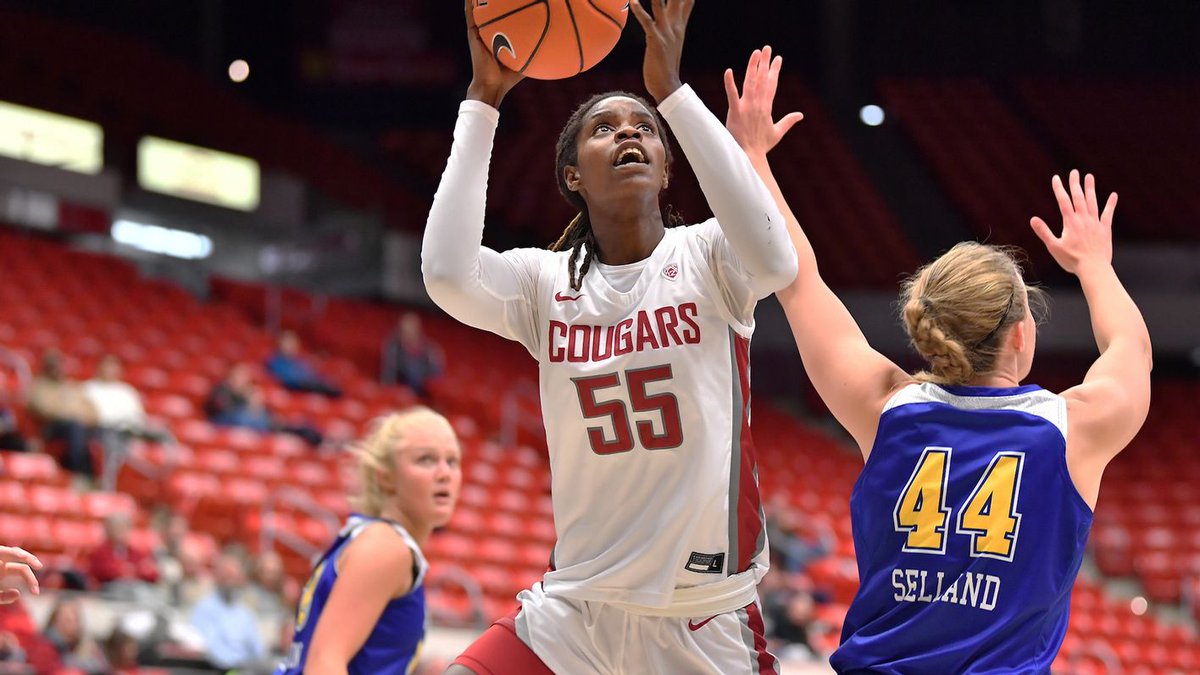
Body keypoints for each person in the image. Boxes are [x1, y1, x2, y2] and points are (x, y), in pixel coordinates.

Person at [726, 48, 1153, 672]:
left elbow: (796, 279)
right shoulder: (1071, 428)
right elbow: (1131, 350)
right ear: (1020, 335)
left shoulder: (885, 407)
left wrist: (754, 161)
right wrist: (1094, 265)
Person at [427, 0, 797, 671]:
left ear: (665, 166)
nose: (628, 133)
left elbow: (778, 261)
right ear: (573, 175)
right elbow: (447, 274)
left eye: (645, 129)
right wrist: (482, 101)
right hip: (575, 609)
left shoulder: (712, 257)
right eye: (603, 128)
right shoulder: (544, 284)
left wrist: (675, 95)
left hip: (702, 612)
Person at [275, 407, 462, 675]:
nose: (444, 473)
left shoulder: (373, 538)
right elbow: (324, 664)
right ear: (385, 476)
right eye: (425, 460)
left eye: (453, 461)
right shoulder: (386, 548)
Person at [83, 355, 175, 489]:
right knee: (112, 439)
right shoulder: (88, 388)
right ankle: (107, 486)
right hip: (101, 432)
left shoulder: (127, 391)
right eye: (107, 366)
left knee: (165, 437)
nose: (110, 370)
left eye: (113, 366)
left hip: (131, 432)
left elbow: (139, 417)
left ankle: (160, 488)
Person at [205, 364, 324, 446]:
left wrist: (256, 405)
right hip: (228, 423)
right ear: (230, 376)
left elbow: (264, 412)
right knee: (244, 417)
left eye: (245, 376)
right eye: (240, 375)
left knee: (298, 424)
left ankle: (315, 438)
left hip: (256, 423)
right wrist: (248, 406)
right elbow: (222, 411)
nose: (243, 379)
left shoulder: (247, 392)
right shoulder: (221, 390)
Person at [190, 552, 267, 671]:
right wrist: (239, 665)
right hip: (219, 670)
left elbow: (258, 650)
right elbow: (210, 651)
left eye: (233, 576)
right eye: (226, 575)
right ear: (217, 576)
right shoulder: (205, 608)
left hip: (247, 669)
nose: (230, 581)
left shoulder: (245, 613)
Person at [27, 350, 97, 477]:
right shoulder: (39, 386)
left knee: (98, 432)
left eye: (59, 366)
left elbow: (93, 411)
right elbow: (44, 410)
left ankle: (96, 477)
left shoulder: (73, 386)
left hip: (79, 425)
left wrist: (74, 413)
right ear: (46, 368)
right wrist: (72, 412)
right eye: (53, 366)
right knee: (74, 427)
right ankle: (76, 471)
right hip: (50, 428)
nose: (57, 370)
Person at [380, 313, 444, 398]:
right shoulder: (393, 346)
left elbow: (436, 372)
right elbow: (388, 370)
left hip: (422, 390)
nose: (409, 330)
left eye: (411, 327)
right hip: (400, 388)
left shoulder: (429, 348)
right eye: (405, 328)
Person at [266, 331, 342, 398]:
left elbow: (312, 376)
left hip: (309, 389)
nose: (291, 346)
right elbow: (287, 381)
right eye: (288, 342)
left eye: (294, 343)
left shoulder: (301, 362)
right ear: (280, 343)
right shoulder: (275, 361)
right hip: (295, 391)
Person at [42, 597, 107, 673]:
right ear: (54, 620)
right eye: (67, 620)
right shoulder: (45, 646)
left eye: (75, 619)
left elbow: (100, 666)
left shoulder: (85, 644)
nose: (72, 624)